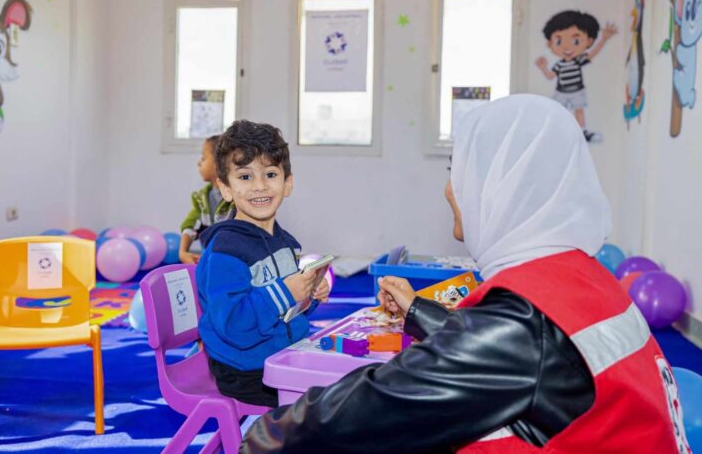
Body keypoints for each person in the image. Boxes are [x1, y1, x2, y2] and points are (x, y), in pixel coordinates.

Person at [240, 95, 690, 453]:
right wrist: (418, 311)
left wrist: (263, 436)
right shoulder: (581, 276)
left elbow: (382, 404)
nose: (449, 189)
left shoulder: (523, 321)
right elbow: (519, 359)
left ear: (503, 186)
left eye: (459, 171)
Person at [196, 120, 330, 407]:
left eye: (270, 174)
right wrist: (287, 291)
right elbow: (233, 325)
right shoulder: (226, 251)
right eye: (245, 177)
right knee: (333, 401)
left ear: (287, 183)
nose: (259, 186)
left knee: (352, 380)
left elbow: (285, 309)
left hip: (283, 351)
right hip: (246, 370)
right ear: (226, 189)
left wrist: (308, 295)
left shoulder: (285, 242)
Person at [535, 10, 618, 143]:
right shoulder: (559, 65)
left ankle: (582, 131)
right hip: (561, 92)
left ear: (589, 41)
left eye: (576, 41)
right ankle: (555, 131)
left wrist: (604, 39)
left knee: (579, 110)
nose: (567, 46)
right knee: (558, 110)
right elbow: (550, 76)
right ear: (550, 44)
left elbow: (593, 53)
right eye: (559, 41)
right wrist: (543, 67)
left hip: (577, 91)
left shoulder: (578, 60)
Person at [178, 135, 236, 264]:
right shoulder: (201, 198)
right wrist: (182, 252)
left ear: (219, 163)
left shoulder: (237, 198)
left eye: (204, 158)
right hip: (209, 260)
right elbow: (190, 225)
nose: (199, 163)